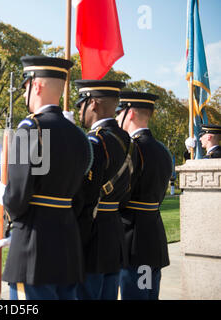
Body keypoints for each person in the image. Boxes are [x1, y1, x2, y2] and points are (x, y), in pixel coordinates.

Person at [0, 56, 92, 300]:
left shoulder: (30, 129)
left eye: (26, 85)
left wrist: (4, 196)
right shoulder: (80, 136)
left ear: (36, 86)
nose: (26, 91)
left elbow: (17, 197)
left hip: (33, 246)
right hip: (68, 245)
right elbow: (81, 198)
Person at [73, 80, 135, 300]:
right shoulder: (128, 140)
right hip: (114, 232)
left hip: (92, 236)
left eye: (81, 104)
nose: (79, 110)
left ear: (93, 104)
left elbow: (83, 195)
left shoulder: (94, 141)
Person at [115, 91, 172, 300]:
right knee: (149, 294)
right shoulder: (163, 150)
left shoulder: (130, 149)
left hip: (133, 237)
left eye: (118, 112)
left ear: (129, 114)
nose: (115, 118)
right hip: (153, 233)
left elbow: (119, 194)